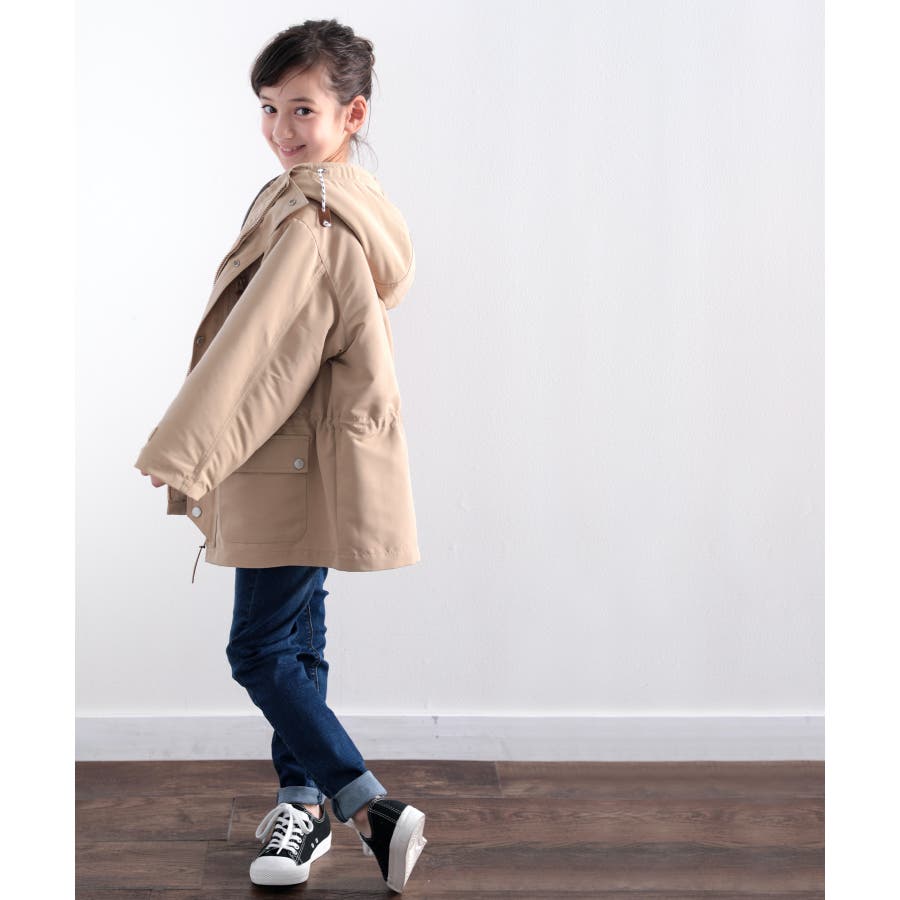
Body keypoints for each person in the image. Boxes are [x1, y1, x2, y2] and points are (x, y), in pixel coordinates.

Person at [134, 18, 427, 892]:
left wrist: (185, 449)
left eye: (303, 109)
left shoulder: (314, 220)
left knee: (258, 650)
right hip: (303, 461)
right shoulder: (329, 200)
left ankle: (368, 806)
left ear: (352, 114)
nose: (281, 128)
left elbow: (259, 354)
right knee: (297, 639)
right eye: (269, 107)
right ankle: (301, 801)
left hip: (287, 464)